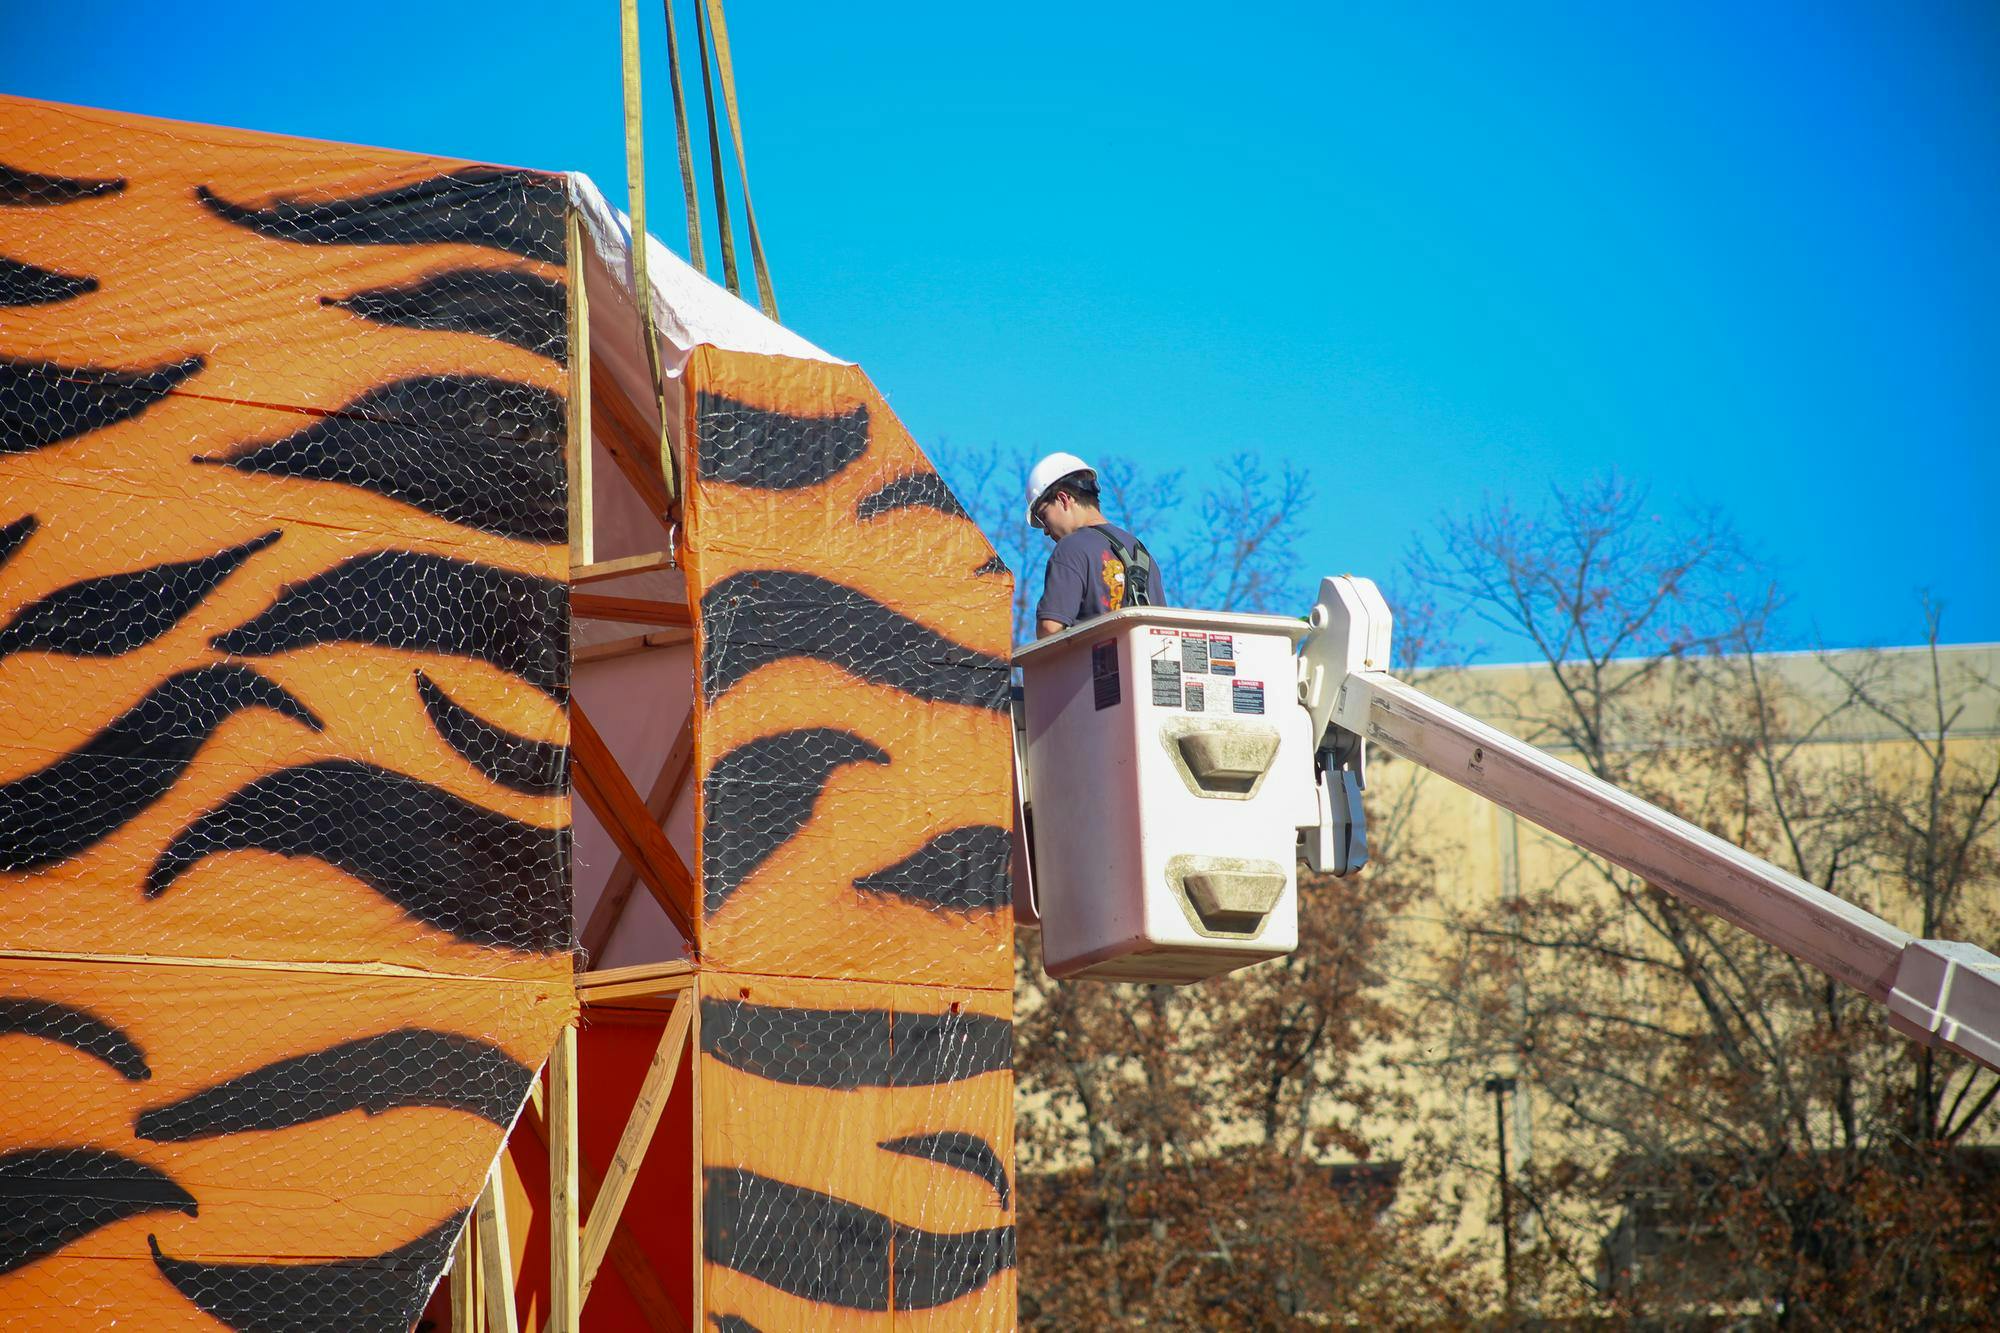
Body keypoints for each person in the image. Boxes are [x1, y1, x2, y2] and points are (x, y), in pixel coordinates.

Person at [1026, 452, 1165, 638]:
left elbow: (1050, 629)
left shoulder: (1072, 547)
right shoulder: (1141, 552)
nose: (1045, 530)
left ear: (1063, 499)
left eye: (1044, 516)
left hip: (1095, 666)